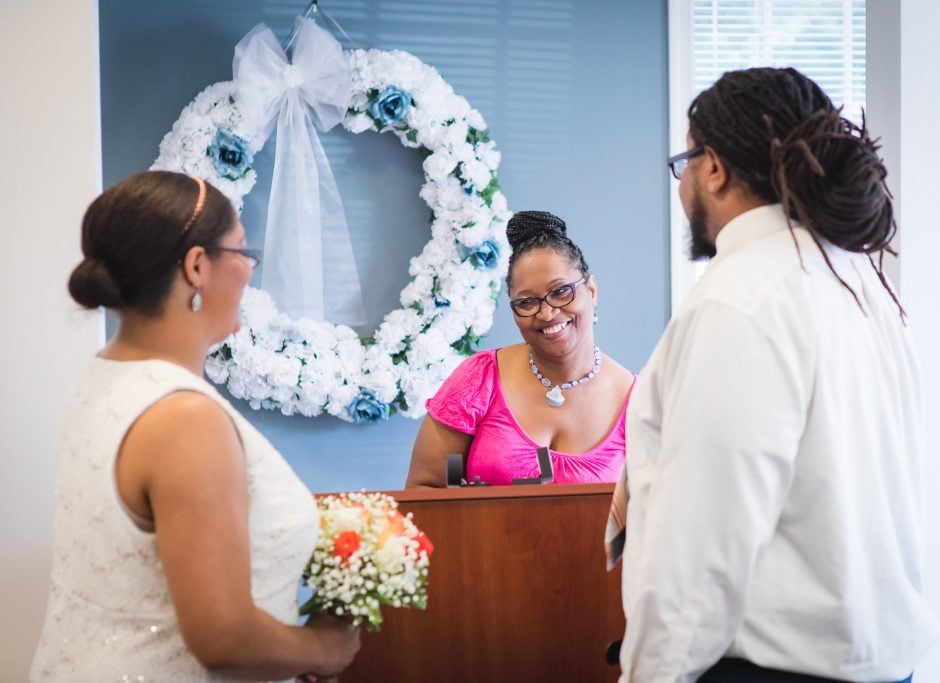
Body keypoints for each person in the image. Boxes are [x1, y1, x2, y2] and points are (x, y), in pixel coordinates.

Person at [618, 67, 940, 682]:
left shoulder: (738, 299)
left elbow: (704, 539)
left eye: (684, 163)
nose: (682, 183)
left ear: (713, 167)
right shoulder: (860, 283)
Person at [31, 171, 360, 681]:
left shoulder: (104, 375)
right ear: (198, 265)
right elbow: (225, 639)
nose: (250, 272)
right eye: (243, 253)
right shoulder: (185, 420)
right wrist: (325, 649)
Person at [405, 210, 635, 487]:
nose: (548, 313)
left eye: (561, 291)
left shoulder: (635, 401)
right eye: (527, 302)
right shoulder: (479, 379)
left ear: (592, 290)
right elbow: (424, 489)